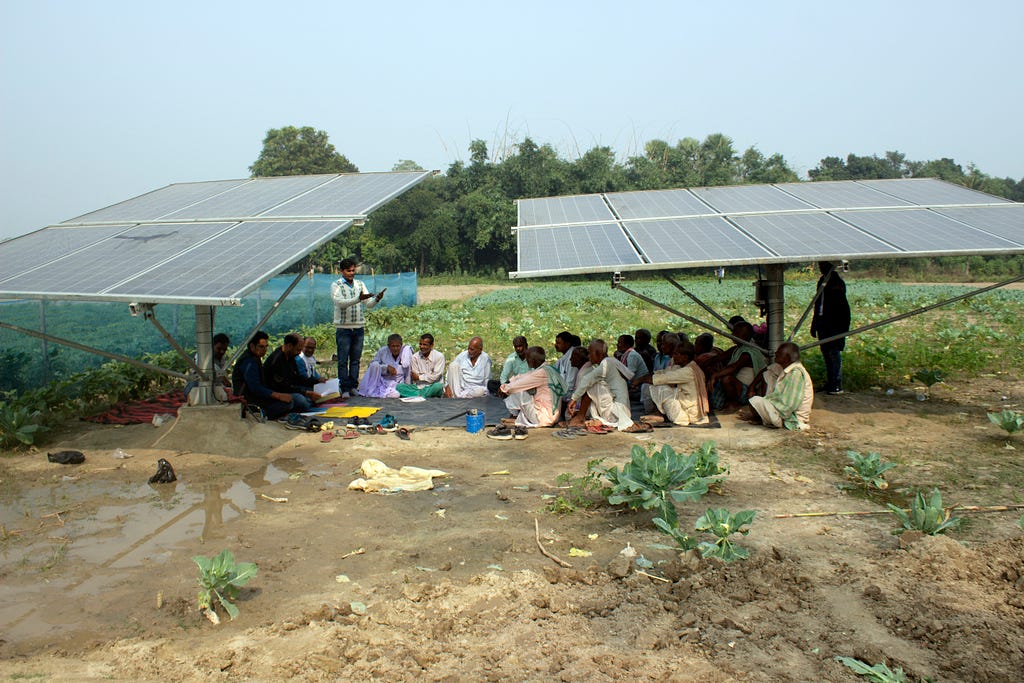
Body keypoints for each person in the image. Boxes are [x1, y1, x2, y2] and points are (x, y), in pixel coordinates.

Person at [568, 339, 650, 433]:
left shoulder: (606, 364)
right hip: (622, 411)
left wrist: (573, 399)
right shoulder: (612, 361)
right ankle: (596, 419)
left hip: (615, 412)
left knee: (592, 384)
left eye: (590, 353)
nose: (588, 356)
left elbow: (587, 380)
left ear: (599, 353)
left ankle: (580, 416)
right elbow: (629, 375)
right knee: (593, 383)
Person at [332, 257, 385, 398]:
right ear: (342, 271)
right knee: (343, 360)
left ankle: (353, 387)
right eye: (348, 271)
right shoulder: (336, 285)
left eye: (353, 270)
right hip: (343, 328)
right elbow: (339, 303)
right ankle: (344, 388)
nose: (351, 273)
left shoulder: (360, 284)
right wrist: (358, 299)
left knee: (355, 359)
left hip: (358, 327)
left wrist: (377, 299)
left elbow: (368, 304)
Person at [741, 342, 814, 430]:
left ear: (787, 357)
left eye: (779, 352)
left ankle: (764, 418)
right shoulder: (785, 367)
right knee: (768, 374)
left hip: (791, 418)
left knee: (755, 401)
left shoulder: (796, 373)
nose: (775, 353)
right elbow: (766, 370)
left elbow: (788, 406)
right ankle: (762, 416)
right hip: (784, 413)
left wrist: (764, 408)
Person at [642, 340, 709, 426]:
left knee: (660, 387)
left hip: (688, 416)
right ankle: (658, 413)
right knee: (658, 385)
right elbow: (663, 372)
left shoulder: (688, 371)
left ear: (685, 357)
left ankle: (657, 413)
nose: (673, 357)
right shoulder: (685, 366)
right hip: (686, 407)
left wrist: (638, 381)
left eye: (676, 354)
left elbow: (661, 378)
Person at [231, 331, 294, 420]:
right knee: (288, 403)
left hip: (256, 398)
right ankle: (261, 414)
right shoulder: (249, 362)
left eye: (266, 347)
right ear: (252, 346)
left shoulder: (255, 359)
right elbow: (256, 388)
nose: (264, 350)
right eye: (261, 347)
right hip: (248, 401)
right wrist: (278, 395)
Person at [498, 346, 566, 428]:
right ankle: (519, 419)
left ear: (533, 360)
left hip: (543, 418)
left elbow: (519, 384)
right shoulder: (548, 369)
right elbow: (523, 376)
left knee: (520, 390)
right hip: (553, 416)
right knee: (517, 387)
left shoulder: (541, 373)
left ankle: (514, 415)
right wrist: (507, 384)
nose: (526, 361)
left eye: (527, 359)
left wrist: (504, 389)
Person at [810, 261, 851, 395]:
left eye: (823, 265)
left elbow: (841, 307)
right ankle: (830, 382)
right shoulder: (822, 280)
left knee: (833, 353)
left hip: (834, 324)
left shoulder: (836, 282)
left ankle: (836, 384)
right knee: (826, 352)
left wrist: (842, 328)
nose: (820, 268)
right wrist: (814, 324)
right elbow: (818, 304)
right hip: (823, 324)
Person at [708, 321, 767, 411]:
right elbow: (718, 358)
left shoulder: (747, 353)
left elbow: (733, 367)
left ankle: (734, 403)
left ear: (743, 335)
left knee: (727, 379)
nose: (732, 334)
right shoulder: (737, 349)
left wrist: (715, 376)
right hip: (738, 388)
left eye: (735, 333)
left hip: (746, 391)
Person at [264, 333, 321, 412]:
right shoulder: (277, 360)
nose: (299, 352)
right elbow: (283, 386)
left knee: (315, 391)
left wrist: (316, 381)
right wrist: (305, 393)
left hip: (292, 387)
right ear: (290, 346)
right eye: (298, 350)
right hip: (280, 393)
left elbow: (297, 378)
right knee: (301, 400)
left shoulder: (291, 357)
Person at [357, 334, 413, 398]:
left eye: (397, 346)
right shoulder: (382, 351)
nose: (395, 348)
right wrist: (386, 367)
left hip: (397, 384)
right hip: (383, 382)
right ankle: (371, 391)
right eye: (393, 346)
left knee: (396, 395)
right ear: (388, 346)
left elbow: (408, 371)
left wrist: (408, 386)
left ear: (401, 345)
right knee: (375, 364)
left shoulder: (405, 352)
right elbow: (372, 367)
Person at [184, 332, 230, 402]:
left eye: (224, 350)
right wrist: (223, 378)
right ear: (212, 346)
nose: (221, 352)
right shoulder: (201, 356)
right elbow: (206, 370)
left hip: (213, 386)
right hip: (195, 385)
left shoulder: (221, 358)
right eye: (219, 348)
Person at [397, 333, 446, 398]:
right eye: (420, 344)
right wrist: (427, 377)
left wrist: (420, 377)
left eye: (425, 345)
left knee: (438, 386)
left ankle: (417, 395)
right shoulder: (415, 357)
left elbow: (435, 377)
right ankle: (423, 395)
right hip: (419, 387)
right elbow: (415, 377)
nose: (422, 347)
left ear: (431, 345)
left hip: (433, 386)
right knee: (399, 387)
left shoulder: (439, 356)